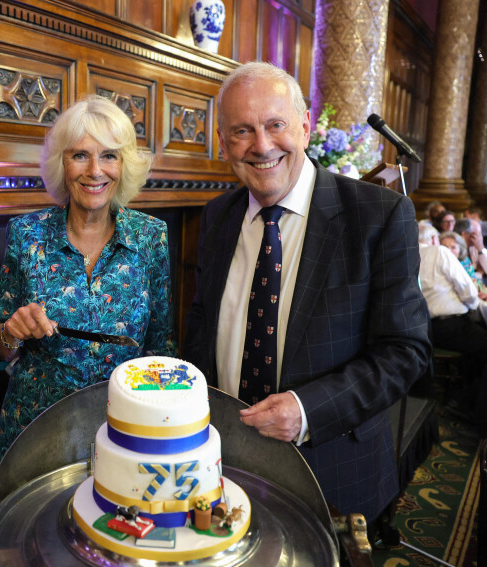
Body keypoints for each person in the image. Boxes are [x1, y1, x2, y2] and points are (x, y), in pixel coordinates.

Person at [183, 62, 431, 524]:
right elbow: (202, 325)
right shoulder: (217, 217)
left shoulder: (379, 216)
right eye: (242, 131)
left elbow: (406, 351)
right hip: (224, 468)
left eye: (275, 125)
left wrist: (306, 411)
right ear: (223, 143)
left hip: (332, 473)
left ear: (304, 125)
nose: (261, 145)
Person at [0, 95, 176, 463]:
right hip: (35, 430)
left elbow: (161, 347)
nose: (95, 171)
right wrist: (13, 330)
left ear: (124, 165)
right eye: (80, 155)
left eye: (109, 155)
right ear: (62, 163)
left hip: (123, 430)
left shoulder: (151, 237)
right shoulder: (27, 234)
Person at [418, 223, 487, 435]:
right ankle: (470, 405)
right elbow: (466, 288)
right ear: (433, 240)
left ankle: (466, 396)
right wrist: (474, 304)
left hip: (424, 329)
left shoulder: (406, 254)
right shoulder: (438, 252)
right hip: (449, 325)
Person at [439, 230, 487, 296]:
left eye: (453, 247)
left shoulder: (465, 262)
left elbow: (475, 281)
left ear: (460, 251)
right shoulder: (439, 264)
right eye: (445, 247)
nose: (448, 251)